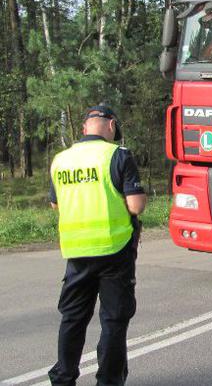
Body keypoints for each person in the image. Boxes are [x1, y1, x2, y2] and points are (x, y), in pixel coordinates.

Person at [47, 105, 147, 385]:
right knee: (113, 321)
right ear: (111, 126)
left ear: (84, 128)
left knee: (73, 319)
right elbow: (135, 205)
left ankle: (63, 378)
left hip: (77, 252)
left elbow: (56, 203)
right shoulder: (117, 155)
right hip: (114, 251)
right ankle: (109, 381)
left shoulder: (61, 159)